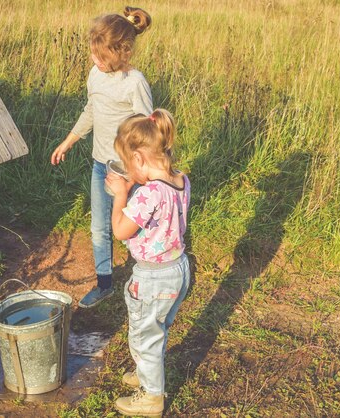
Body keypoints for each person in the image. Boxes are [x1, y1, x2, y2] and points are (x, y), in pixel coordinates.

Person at [50, 6, 153, 308]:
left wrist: (137, 173)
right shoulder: (96, 74)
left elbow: (148, 128)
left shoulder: (134, 82)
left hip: (131, 170)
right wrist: (68, 141)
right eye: (93, 53)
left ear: (122, 52)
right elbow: (91, 111)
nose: (94, 60)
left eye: (101, 55)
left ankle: (148, 275)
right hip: (101, 165)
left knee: (136, 225)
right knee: (99, 225)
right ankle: (104, 283)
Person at [105, 109, 191, 417]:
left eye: (129, 164)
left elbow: (120, 231)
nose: (128, 171)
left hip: (153, 277)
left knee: (144, 336)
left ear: (140, 159)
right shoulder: (181, 180)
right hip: (178, 270)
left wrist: (120, 194)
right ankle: (147, 374)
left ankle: (152, 397)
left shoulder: (148, 194)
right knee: (156, 329)